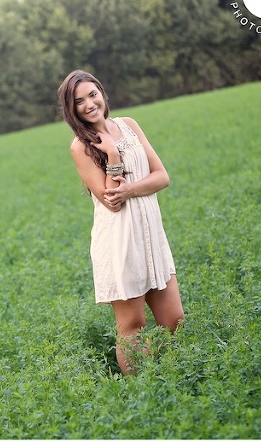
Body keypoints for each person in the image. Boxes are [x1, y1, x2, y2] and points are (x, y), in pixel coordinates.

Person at [57, 70, 185, 375]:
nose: (89, 104)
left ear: (102, 93)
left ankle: (164, 376)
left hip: (150, 234)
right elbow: (111, 201)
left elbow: (162, 177)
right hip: (119, 241)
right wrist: (113, 154)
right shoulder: (80, 147)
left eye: (92, 94)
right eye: (79, 101)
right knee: (132, 326)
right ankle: (141, 393)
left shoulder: (129, 125)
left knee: (174, 320)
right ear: (71, 109)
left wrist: (129, 188)